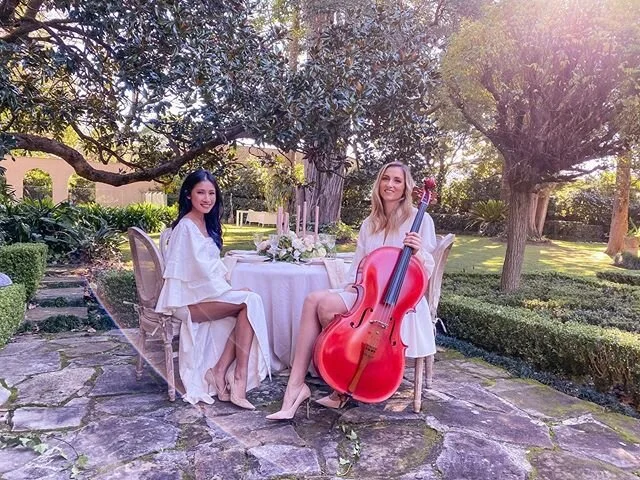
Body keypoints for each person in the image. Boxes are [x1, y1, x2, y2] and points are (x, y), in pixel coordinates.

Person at [267, 161, 437, 420]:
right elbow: (359, 265)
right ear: (378, 183)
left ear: (406, 188)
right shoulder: (370, 223)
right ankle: (296, 386)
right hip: (367, 295)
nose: (390, 185)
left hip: (400, 304)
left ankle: (340, 386)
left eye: (397, 181)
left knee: (325, 307)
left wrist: (419, 252)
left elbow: (427, 271)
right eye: (385, 179)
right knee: (316, 301)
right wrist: (348, 292)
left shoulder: (420, 219)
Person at [155, 169, 270, 408]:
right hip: (184, 303)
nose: (207, 198)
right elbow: (195, 276)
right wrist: (233, 293)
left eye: (211, 193)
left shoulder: (205, 224)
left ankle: (219, 372)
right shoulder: (186, 227)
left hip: (201, 297)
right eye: (200, 193)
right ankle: (236, 380)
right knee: (250, 301)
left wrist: (233, 292)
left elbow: (206, 274)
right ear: (188, 195)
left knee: (249, 302)